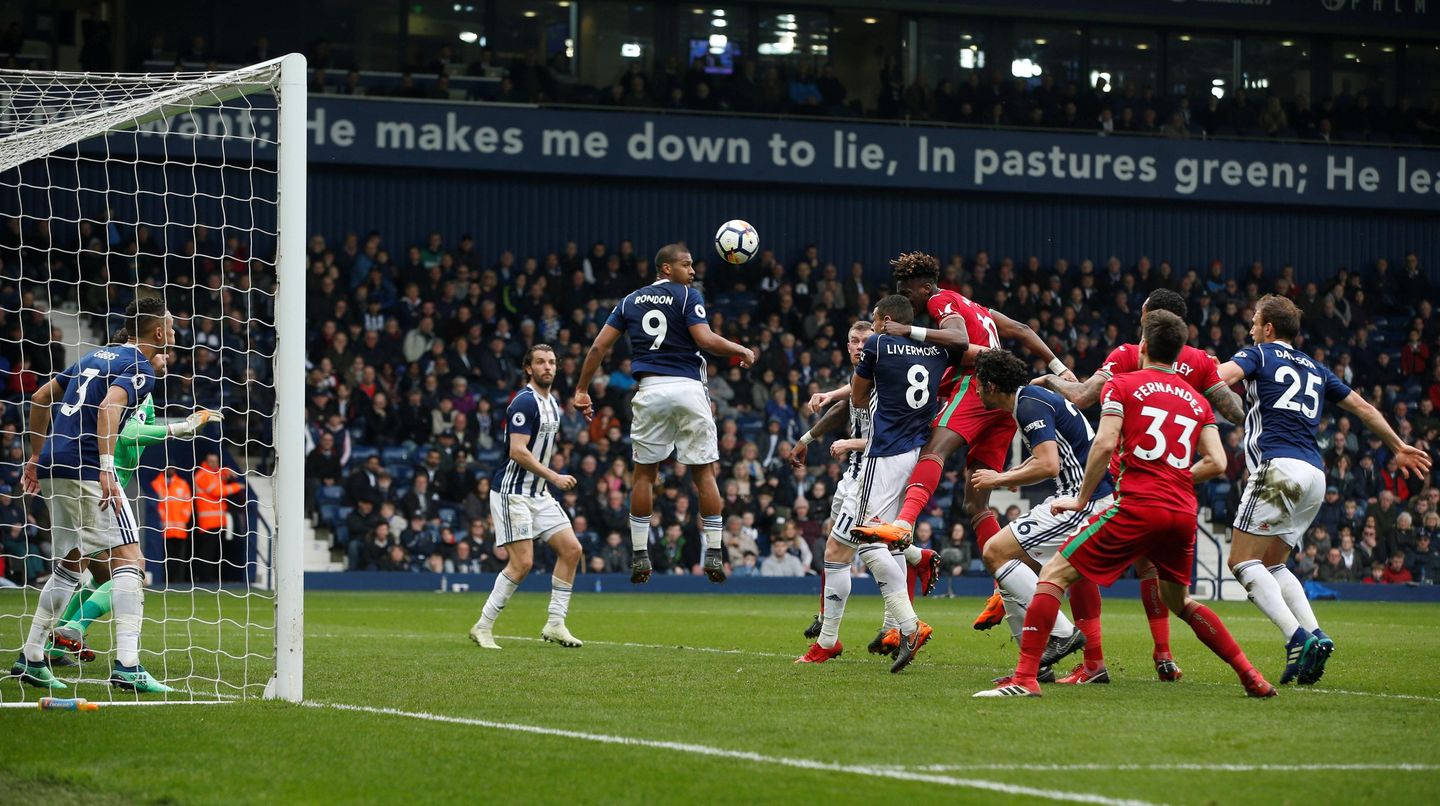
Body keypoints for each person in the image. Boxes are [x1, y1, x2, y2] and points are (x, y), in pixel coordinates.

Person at [976, 311, 1275, 698]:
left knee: (1053, 575)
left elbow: (1102, 445)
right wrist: (1177, 477)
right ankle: (1251, 676)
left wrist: (1081, 498)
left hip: (1135, 504)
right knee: (1180, 601)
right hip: (1182, 511)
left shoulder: (1122, 385)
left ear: (1144, 347)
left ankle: (1026, 678)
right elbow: (1217, 463)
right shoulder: (1197, 401)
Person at [850, 252, 1075, 637]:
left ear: (925, 286)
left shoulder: (941, 301)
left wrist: (909, 333)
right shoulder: (974, 305)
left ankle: (904, 523)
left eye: (909, 293)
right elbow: (1020, 328)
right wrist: (1059, 367)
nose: (911, 303)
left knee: (933, 450)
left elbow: (957, 339)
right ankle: (1004, 584)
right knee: (976, 498)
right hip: (1002, 401)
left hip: (977, 387)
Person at [1217, 295, 1428, 686]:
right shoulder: (1316, 368)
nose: (1249, 328)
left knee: (1241, 562)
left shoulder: (1259, 355)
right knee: (1274, 564)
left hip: (1278, 468)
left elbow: (1221, 376)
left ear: (1268, 329)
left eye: (1254, 322)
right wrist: (1398, 446)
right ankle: (1314, 634)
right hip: (1315, 474)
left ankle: (1295, 638)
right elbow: (1363, 408)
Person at [1037, 288, 1246, 682]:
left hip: (1125, 476)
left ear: (1148, 316)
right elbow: (1232, 410)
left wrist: (1052, 380)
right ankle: (1164, 654)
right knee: (1156, 571)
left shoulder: (1128, 354)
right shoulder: (1200, 361)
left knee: (1072, 564)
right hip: (1173, 483)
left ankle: (1090, 664)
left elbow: (1082, 397)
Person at [13, 298, 174, 693]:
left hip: (54, 465)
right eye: (170, 328)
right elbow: (107, 409)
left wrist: (35, 455)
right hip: (88, 469)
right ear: (156, 332)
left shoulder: (93, 356)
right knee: (132, 561)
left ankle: (31, 657)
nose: (173, 334)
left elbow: (39, 399)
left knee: (72, 563)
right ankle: (127, 665)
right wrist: (105, 467)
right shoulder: (139, 366)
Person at [573, 244, 754, 585]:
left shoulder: (628, 301)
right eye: (686, 265)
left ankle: (640, 554)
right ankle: (714, 550)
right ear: (666, 269)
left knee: (644, 476)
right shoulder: (687, 296)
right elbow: (705, 339)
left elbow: (599, 347)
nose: (693, 271)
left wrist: (582, 389)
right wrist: (740, 349)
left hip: (650, 391)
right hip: (687, 388)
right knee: (703, 473)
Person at [799, 295, 959, 672]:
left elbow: (857, 395)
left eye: (870, 327)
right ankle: (912, 573)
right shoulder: (934, 351)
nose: (863, 339)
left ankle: (901, 625)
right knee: (880, 540)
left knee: (854, 545)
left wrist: (849, 417)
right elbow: (965, 347)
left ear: (884, 322)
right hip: (915, 457)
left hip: (881, 458)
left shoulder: (879, 348)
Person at [48, 328, 218, 661]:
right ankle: (75, 633)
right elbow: (128, 434)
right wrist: (182, 427)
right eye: (161, 351)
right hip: (99, 487)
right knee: (132, 568)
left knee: (96, 574)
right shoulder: (134, 381)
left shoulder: (142, 390)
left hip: (83, 480)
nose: (166, 356)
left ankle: (55, 643)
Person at [969, 349, 1108, 684]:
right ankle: (1035, 665)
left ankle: (1061, 634)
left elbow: (1048, 464)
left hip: (1082, 501)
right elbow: (1049, 459)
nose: (974, 389)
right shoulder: (1031, 399)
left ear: (991, 385)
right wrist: (1015, 473)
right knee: (1011, 570)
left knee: (994, 551)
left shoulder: (1029, 405)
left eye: (977, 383)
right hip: (1081, 496)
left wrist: (999, 478)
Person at [470, 345, 585, 650]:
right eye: (540, 362)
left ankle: (555, 623)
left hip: (538, 492)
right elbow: (517, 451)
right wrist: (554, 476)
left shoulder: (552, 403)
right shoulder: (523, 402)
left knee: (572, 550)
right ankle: (483, 626)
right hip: (513, 493)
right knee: (522, 564)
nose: (547, 367)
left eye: (551, 362)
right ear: (528, 368)